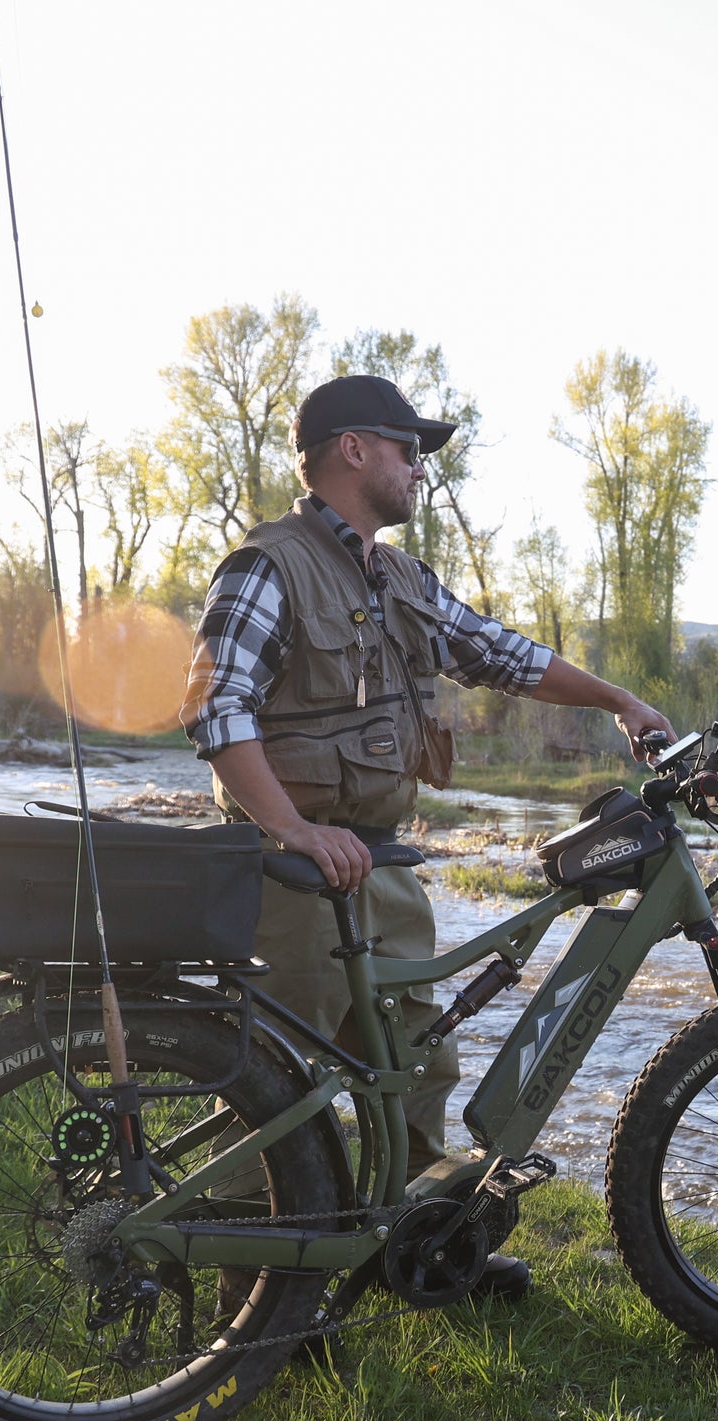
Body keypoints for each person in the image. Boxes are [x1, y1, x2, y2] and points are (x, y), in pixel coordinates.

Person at [178, 374, 669, 1300]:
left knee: (416, 1055)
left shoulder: (397, 575)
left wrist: (618, 699)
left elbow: (500, 652)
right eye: (408, 450)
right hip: (288, 874)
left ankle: (419, 1249)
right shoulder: (268, 564)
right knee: (279, 1088)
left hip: (380, 863)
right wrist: (288, 828)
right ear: (352, 450)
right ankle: (254, 1302)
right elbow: (211, 704)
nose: (419, 470)